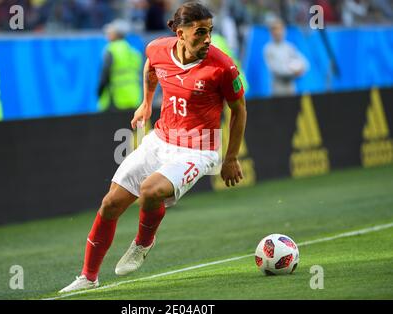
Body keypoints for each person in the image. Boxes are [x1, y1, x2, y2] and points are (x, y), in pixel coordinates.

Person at [60, 1, 246, 293]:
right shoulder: (158, 48)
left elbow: (239, 109)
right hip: (160, 140)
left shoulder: (222, 66)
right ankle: (88, 276)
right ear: (179, 32)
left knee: (150, 189)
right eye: (200, 32)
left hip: (199, 149)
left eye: (210, 31)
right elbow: (151, 67)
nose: (207, 38)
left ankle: (143, 242)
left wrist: (231, 157)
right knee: (110, 204)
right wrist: (146, 103)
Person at [98, 19, 143, 112]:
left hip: (116, 99)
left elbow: (105, 75)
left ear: (116, 34)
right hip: (134, 97)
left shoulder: (111, 50)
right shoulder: (134, 52)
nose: (107, 35)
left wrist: (99, 92)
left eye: (110, 32)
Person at [263, 18, 309, 96]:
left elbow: (305, 64)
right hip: (278, 91)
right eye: (275, 29)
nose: (278, 32)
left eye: (280, 29)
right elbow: (277, 70)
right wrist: (294, 71)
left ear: (284, 30)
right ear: (271, 32)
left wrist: (300, 69)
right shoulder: (268, 49)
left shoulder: (289, 47)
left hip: (291, 89)